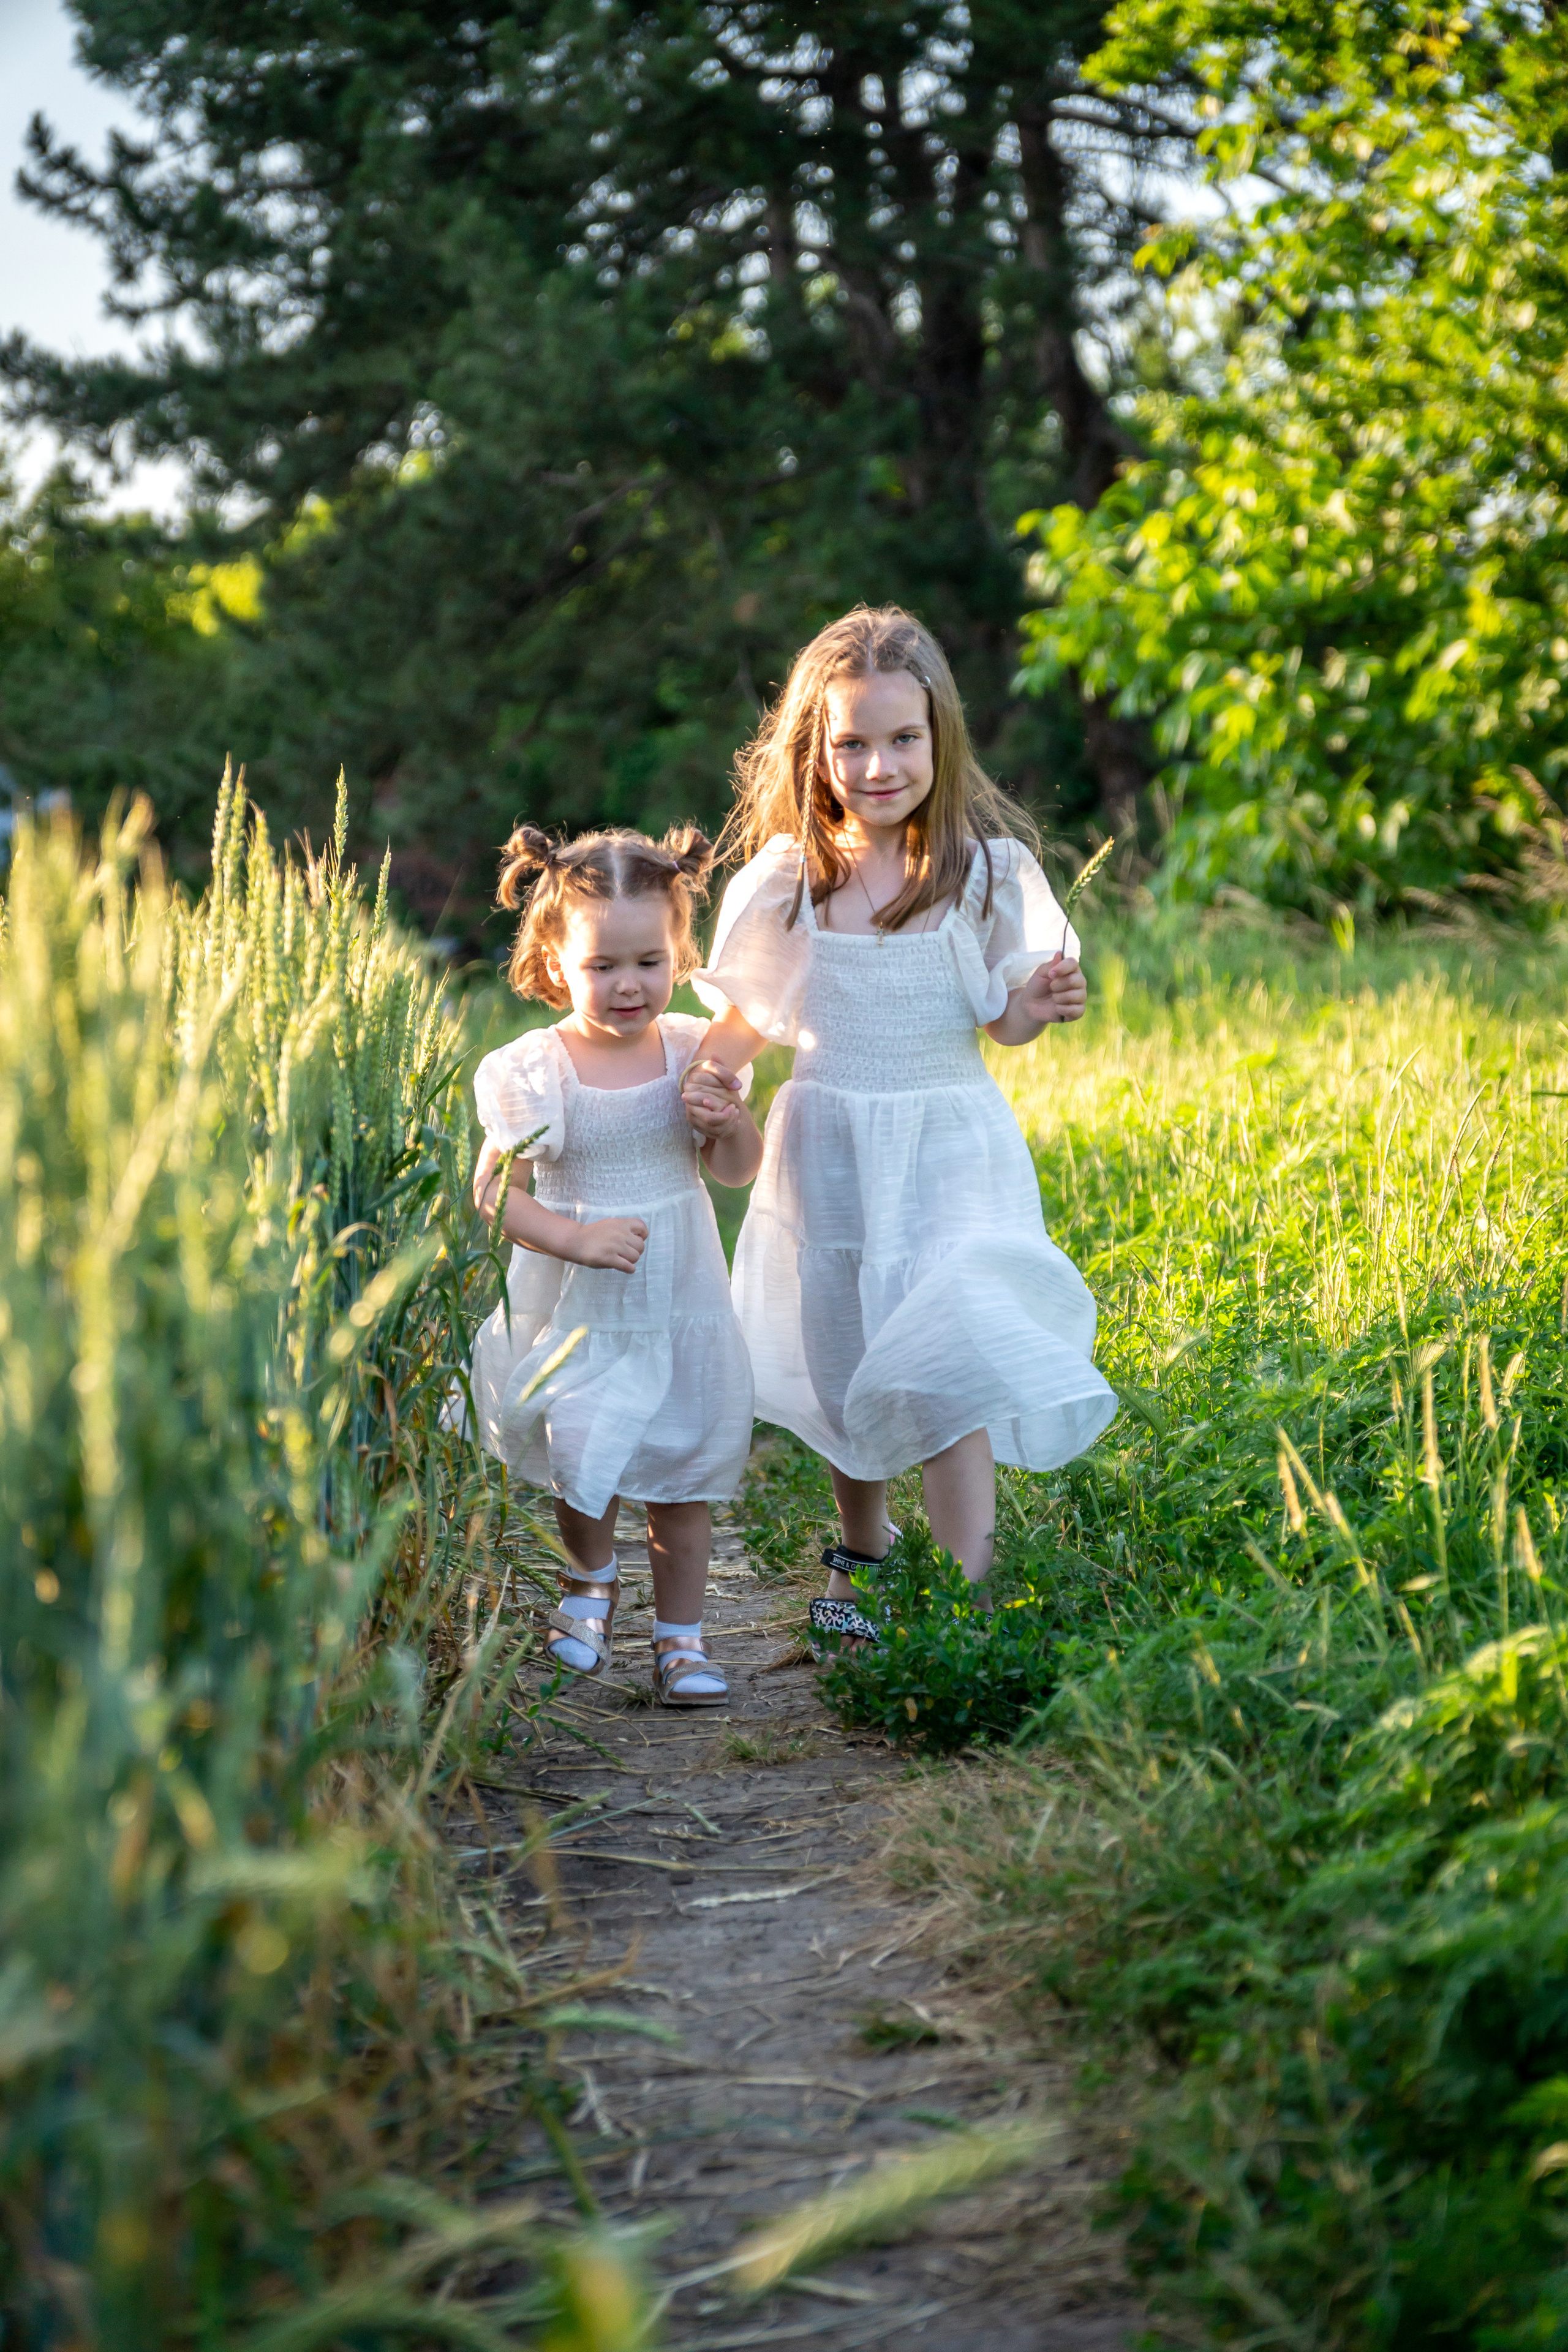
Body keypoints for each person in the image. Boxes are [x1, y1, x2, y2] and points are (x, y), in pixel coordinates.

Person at [682, 605, 1117, 1648]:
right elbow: (751, 1018)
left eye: (903, 739)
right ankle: (863, 1550)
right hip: (830, 1149)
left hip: (951, 1147)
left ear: (941, 736)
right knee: (847, 1357)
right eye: (853, 743)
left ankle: (967, 1596)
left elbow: (1000, 1023)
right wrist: (712, 1076)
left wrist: (1040, 1004)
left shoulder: (985, 872)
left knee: (951, 1346)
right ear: (818, 751)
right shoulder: (792, 881)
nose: (879, 765)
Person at [468, 823, 762, 1705]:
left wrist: (727, 1123)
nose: (628, 985)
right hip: (580, 1297)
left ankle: (683, 1637)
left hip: (678, 1290)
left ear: (679, 952)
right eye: (603, 966)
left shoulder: (691, 1051)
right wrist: (572, 1238)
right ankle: (589, 1583)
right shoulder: (533, 1069)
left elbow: (735, 1172)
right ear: (556, 960)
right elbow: (491, 1192)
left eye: (649, 961)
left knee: (681, 1465)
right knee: (581, 1448)